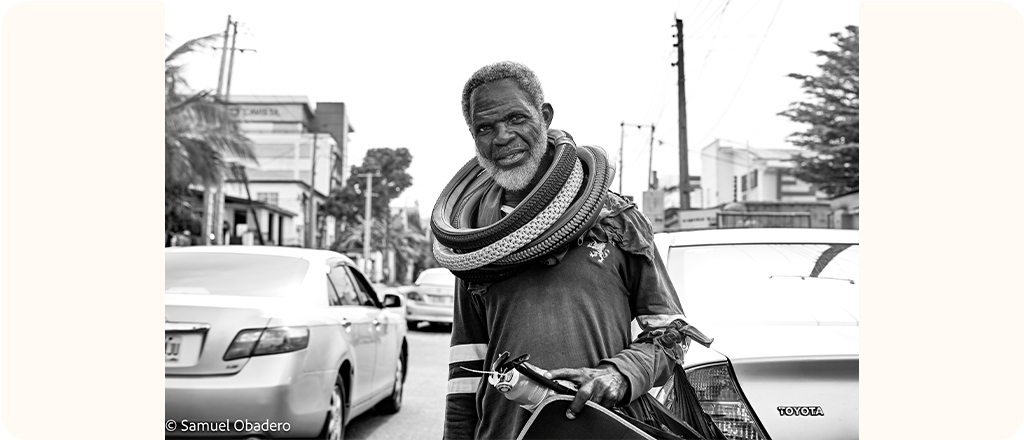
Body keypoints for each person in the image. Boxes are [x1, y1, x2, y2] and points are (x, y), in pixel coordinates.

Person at [435, 61, 686, 440]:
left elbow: (672, 336)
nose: (502, 137)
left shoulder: (615, 220)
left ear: (545, 116)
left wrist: (619, 374)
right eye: (485, 128)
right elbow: (466, 372)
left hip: (604, 430)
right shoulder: (475, 243)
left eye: (517, 118)